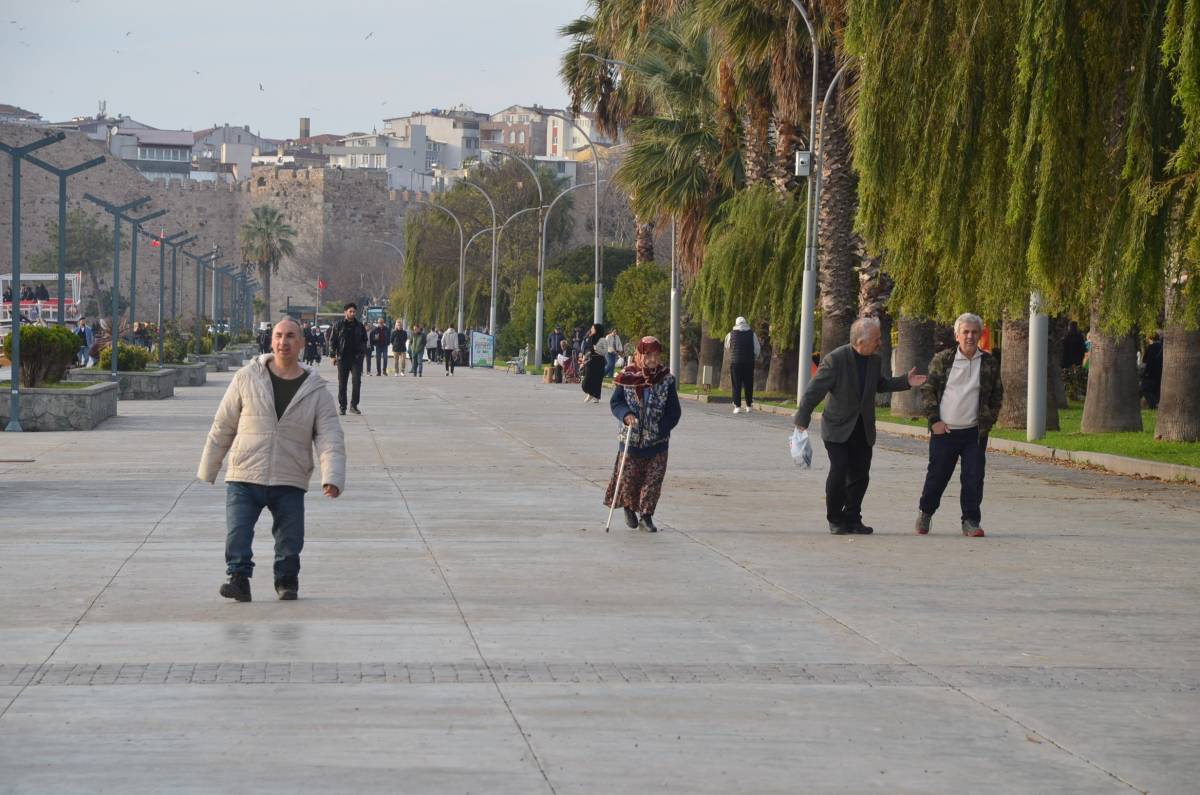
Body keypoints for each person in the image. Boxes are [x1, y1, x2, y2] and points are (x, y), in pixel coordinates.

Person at [198, 316, 345, 602]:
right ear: (271, 340)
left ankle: (286, 579)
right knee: (238, 533)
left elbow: (330, 438)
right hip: (244, 472)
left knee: (290, 540)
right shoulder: (246, 377)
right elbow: (223, 424)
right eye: (278, 335)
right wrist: (209, 466)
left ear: (302, 343)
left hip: (289, 474)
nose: (283, 341)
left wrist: (333, 477)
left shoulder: (315, 390)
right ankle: (238, 577)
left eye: (290, 336)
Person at [794, 317, 926, 535]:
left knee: (860, 475)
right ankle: (835, 519)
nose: (879, 342)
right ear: (861, 341)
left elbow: (880, 384)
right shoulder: (835, 360)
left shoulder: (874, 360)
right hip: (837, 428)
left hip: (863, 428)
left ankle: (853, 517)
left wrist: (905, 382)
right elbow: (813, 392)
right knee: (839, 472)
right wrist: (801, 420)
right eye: (876, 338)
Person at [916, 313, 1004, 538]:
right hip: (945, 431)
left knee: (974, 477)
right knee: (937, 476)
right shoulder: (943, 359)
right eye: (965, 332)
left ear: (980, 334)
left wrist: (988, 420)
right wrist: (934, 421)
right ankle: (926, 512)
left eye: (974, 332)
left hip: (974, 433)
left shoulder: (989, 362)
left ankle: (971, 521)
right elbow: (928, 390)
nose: (970, 336)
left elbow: (997, 394)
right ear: (957, 335)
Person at [605, 336, 682, 533]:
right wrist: (626, 415)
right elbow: (616, 403)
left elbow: (674, 411)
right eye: (648, 355)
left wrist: (661, 428)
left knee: (653, 480)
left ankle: (646, 516)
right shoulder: (626, 376)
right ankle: (630, 509)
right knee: (629, 479)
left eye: (656, 355)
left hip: (657, 441)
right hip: (631, 438)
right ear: (639, 355)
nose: (652, 360)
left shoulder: (666, 379)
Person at [329, 302, 368, 415]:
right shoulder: (338, 325)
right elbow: (333, 341)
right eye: (350, 311)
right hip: (343, 358)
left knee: (356, 382)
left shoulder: (360, 326)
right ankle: (342, 406)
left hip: (356, 358)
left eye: (354, 312)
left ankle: (354, 405)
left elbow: (364, 340)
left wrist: (362, 352)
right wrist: (332, 355)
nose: (352, 313)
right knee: (342, 383)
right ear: (345, 312)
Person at [724, 316, 761, 414]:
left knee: (736, 384)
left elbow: (727, 346)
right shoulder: (752, 334)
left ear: (736, 324)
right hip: (749, 362)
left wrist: (733, 354)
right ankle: (749, 406)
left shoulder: (730, 334)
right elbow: (757, 349)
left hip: (735, 362)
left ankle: (737, 406)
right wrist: (754, 357)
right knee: (748, 383)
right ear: (745, 323)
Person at [579, 323, 607, 403]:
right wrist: (584, 359)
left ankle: (596, 396)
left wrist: (596, 348)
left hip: (599, 361)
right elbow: (587, 349)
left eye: (593, 328)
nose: (591, 329)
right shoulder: (590, 338)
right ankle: (590, 393)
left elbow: (604, 352)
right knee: (586, 381)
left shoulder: (603, 339)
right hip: (591, 361)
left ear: (597, 329)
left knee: (597, 380)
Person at [1140, 332, 1163, 410]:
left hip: (1150, 373)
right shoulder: (1162, 347)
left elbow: (1146, 361)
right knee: (1156, 389)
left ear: (1150, 338)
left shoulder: (1151, 347)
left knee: (1145, 389)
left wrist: (1145, 373)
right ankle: (1156, 403)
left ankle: (1153, 404)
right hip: (1160, 373)